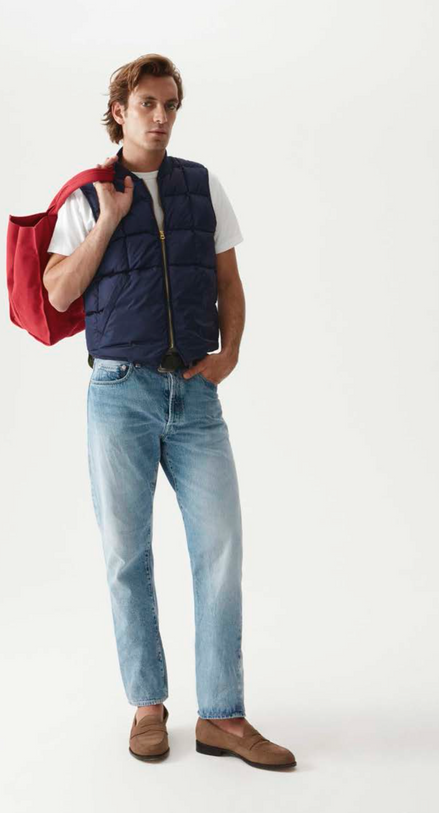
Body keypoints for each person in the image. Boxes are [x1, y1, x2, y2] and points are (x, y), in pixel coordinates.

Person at [43, 53, 296, 770]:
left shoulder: (200, 184)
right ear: (119, 111)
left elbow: (228, 281)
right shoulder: (87, 195)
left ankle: (222, 715)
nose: (161, 117)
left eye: (171, 105)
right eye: (148, 104)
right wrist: (108, 221)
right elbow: (58, 291)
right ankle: (147, 705)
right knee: (127, 555)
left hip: (194, 394)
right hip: (118, 392)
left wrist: (230, 352)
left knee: (220, 546)